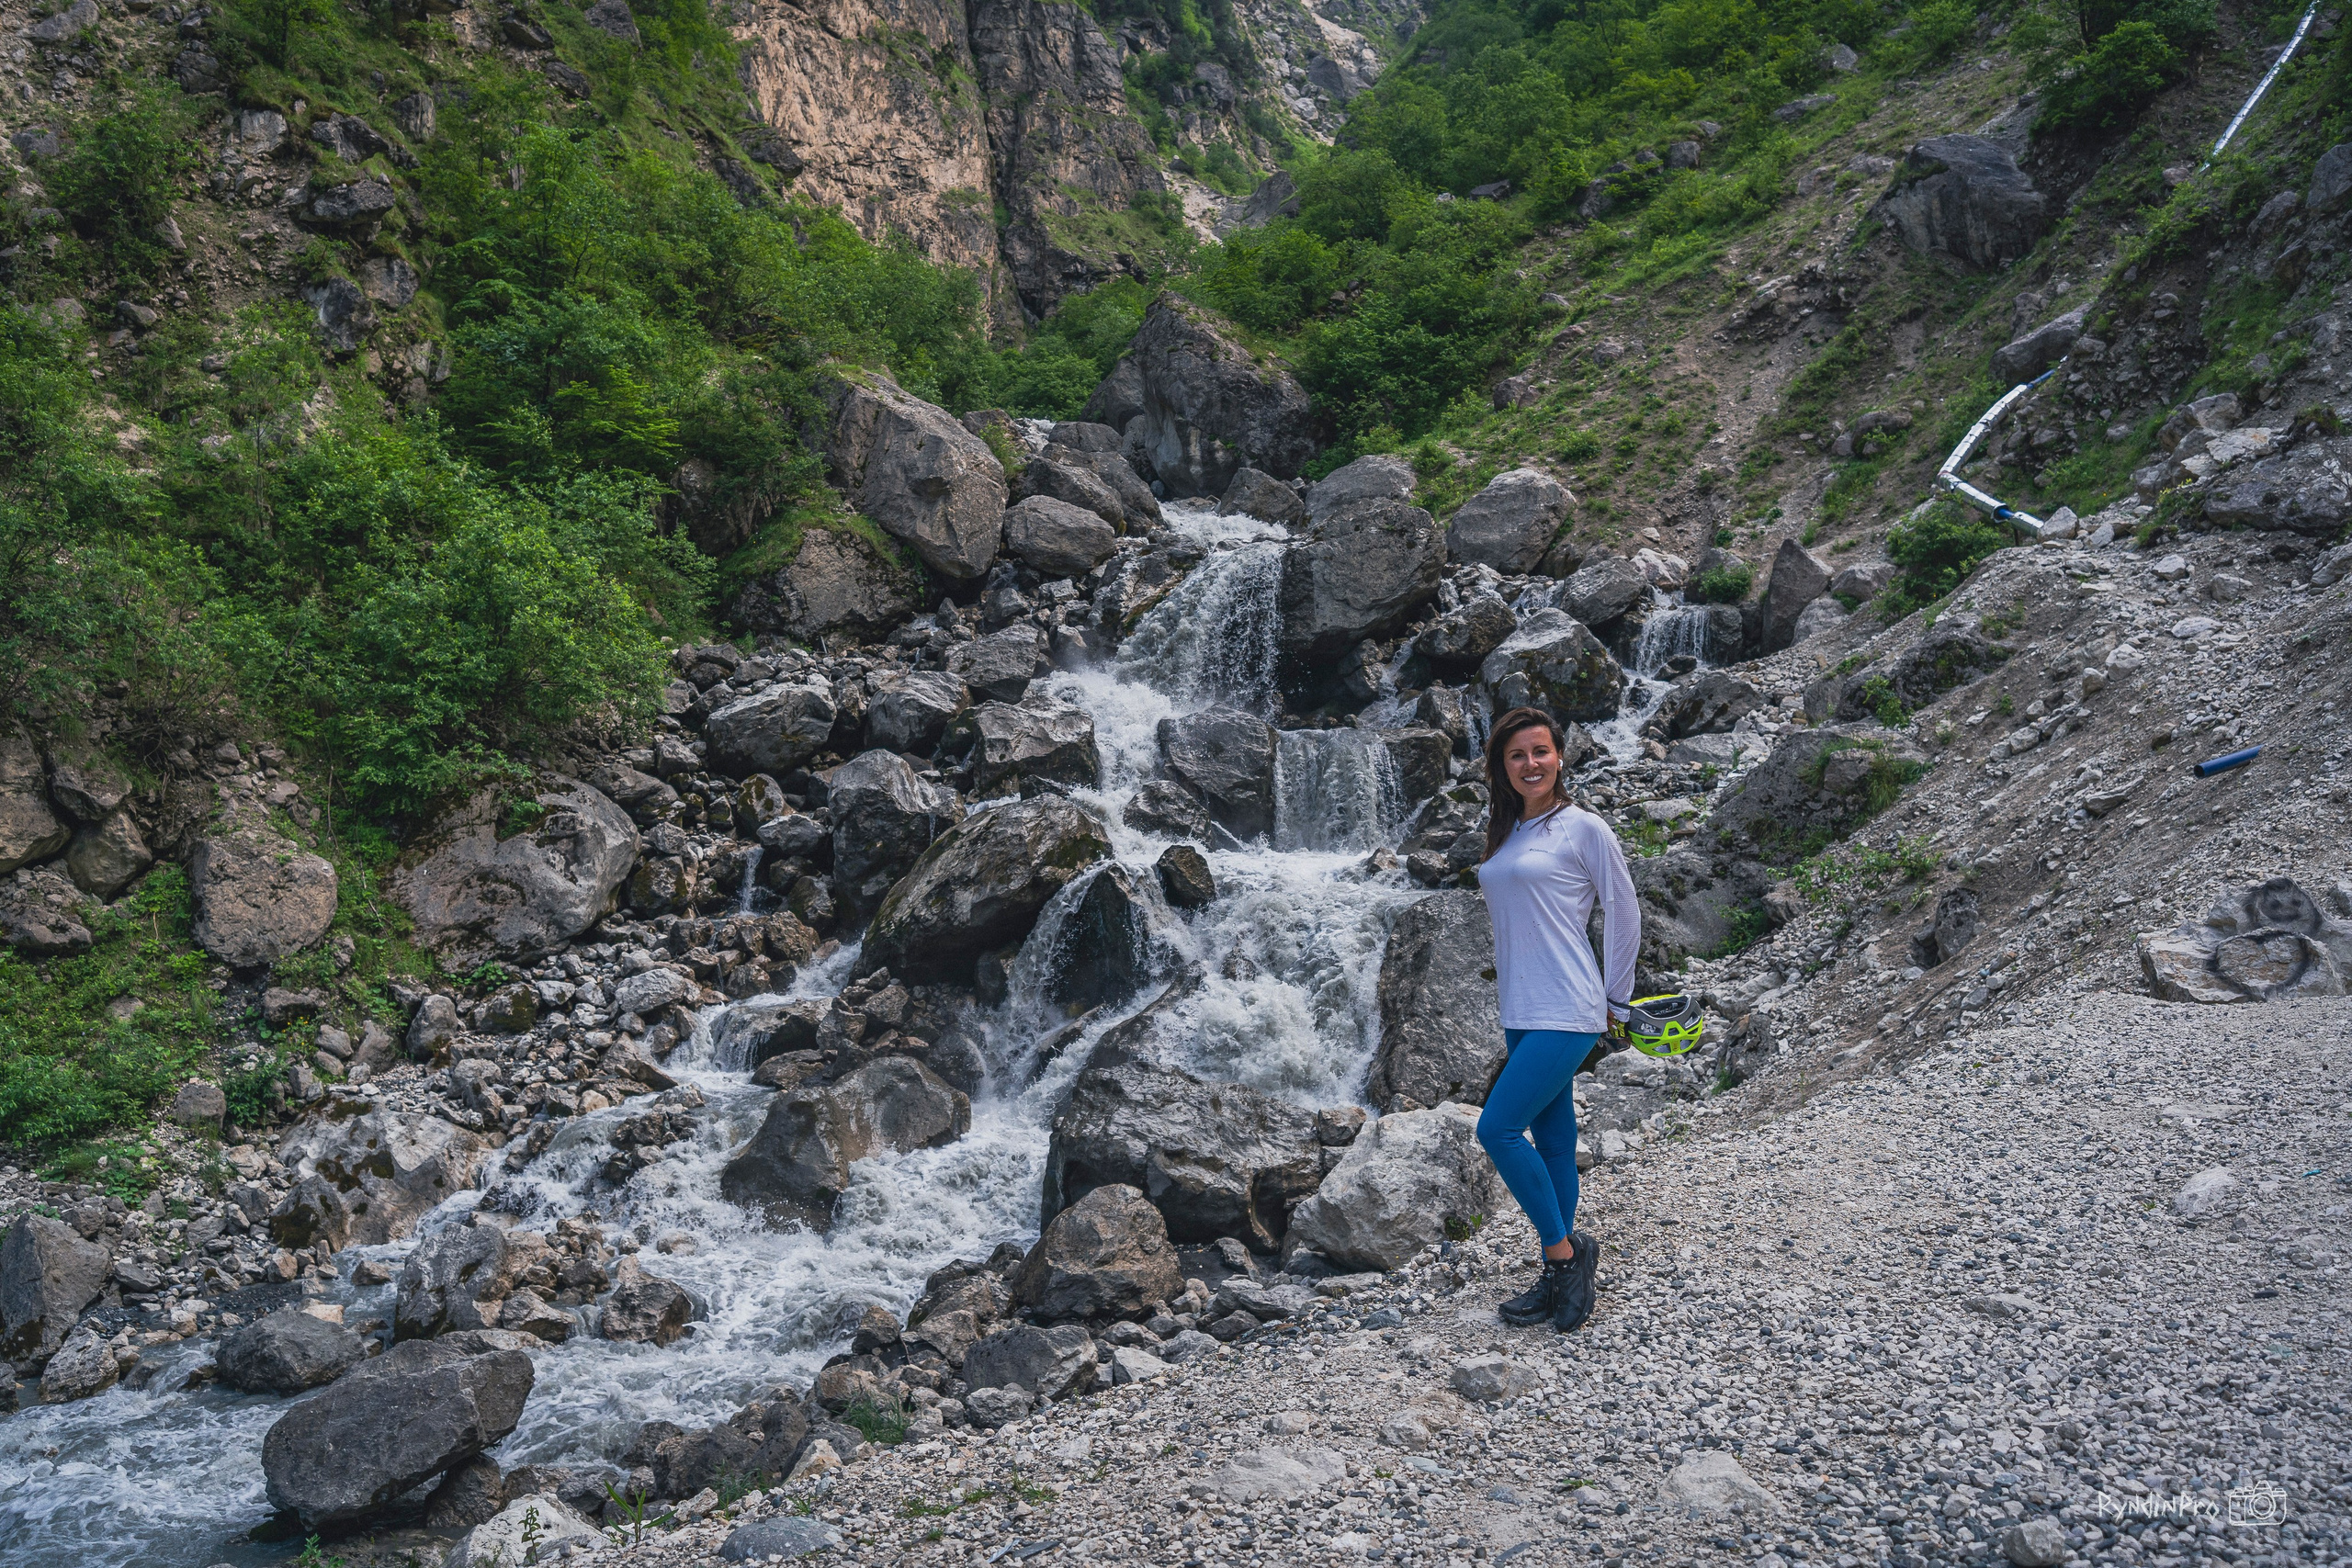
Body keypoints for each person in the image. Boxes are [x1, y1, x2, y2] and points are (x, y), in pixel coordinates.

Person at [1471, 705, 1639, 1334]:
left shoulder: (1584, 828)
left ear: (1559, 757)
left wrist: (1616, 1000)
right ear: (1503, 767)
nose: (1531, 763)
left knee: (1497, 1128)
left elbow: (1625, 913)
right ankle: (1556, 1272)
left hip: (1571, 1008)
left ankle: (1568, 1254)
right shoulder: (1510, 833)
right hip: (1521, 1006)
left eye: (1540, 750)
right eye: (1517, 755)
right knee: (1555, 1139)